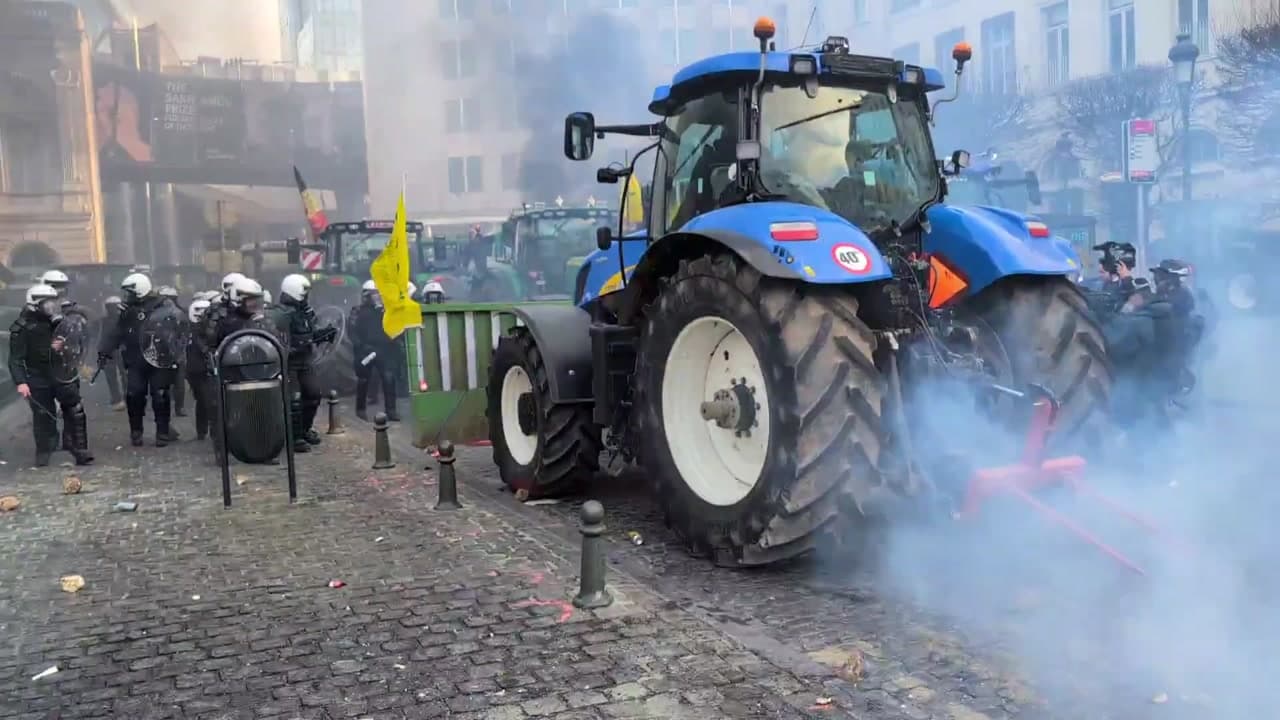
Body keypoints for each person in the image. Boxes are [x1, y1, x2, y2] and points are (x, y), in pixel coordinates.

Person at [9, 284, 94, 466]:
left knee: (75, 409)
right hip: (38, 376)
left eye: (52, 302)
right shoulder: (23, 327)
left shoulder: (61, 323)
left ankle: (80, 449)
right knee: (42, 415)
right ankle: (44, 450)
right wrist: (21, 382)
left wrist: (67, 348)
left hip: (62, 373)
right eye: (45, 303)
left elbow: (76, 346)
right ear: (35, 304)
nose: (50, 306)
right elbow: (15, 359)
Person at [97, 272, 179, 447]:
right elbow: (117, 332)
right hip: (136, 359)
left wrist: (173, 351)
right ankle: (136, 432)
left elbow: (175, 329)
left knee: (160, 395)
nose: (127, 296)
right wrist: (105, 351)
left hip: (158, 359)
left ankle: (163, 432)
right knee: (134, 395)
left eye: (130, 292)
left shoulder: (162, 306)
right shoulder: (127, 311)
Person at [207, 276, 274, 462]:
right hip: (230, 373)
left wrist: (264, 325)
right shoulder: (223, 319)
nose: (255, 305)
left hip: (256, 370)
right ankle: (222, 450)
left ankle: (262, 450)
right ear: (238, 300)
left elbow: (274, 341)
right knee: (223, 411)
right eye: (251, 301)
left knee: (260, 410)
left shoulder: (261, 319)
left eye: (257, 300)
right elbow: (211, 343)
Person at [270, 274, 335, 453]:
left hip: (305, 361)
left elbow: (309, 334)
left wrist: (324, 334)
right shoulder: (281, 314)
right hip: (289, 363)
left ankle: (305, 429)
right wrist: (295, 347)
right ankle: (294, 437)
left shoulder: (305, 313)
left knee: (313, 395)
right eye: (304, 292)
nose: (307, 296)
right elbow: (278, 340)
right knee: (294, 400)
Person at [349, 280, 399, 421]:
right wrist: (361, 346)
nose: (377, 297)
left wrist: (392, 342)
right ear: (366, 295)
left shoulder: (385, 311)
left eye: (379, 293)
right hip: (365, 351)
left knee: (389, 379)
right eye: (374, 294)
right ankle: (360, 410)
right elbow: (351, 331)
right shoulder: (357, 311)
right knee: (363, 380)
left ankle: (391, 411)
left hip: (383, 350)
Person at [185, 298, 214, 441]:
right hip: (198, 370)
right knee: (205, 400)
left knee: (205, 400)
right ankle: (207, 430)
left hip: (202, 369)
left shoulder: (208, 329)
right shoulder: (190, 330)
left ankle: (205, 430)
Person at [158, 286, 187, 418]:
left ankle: (178, 407)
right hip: (162, 352)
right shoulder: (155, 314)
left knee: (178, 382)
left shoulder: (181, 314)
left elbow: (185, 334)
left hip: (176, 352)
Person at [98, 295, 127, 410]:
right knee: (121, 375)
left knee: (117, 376)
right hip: (115, 350)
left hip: (115, 350)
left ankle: (118, 398)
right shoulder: (123, 319)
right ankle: (120, 397)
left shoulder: (105, 321)